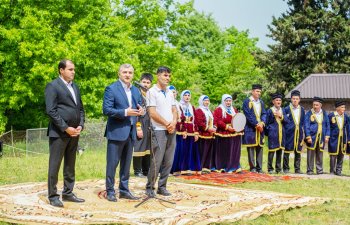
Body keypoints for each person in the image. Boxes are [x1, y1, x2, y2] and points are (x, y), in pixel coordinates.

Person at [45, 59, 85, 207]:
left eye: (74, 69)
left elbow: (80, 108)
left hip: (75, 133)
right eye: (70, 69)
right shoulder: (53, 86)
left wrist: (80, 125)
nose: (73, 72)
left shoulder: (75, 86)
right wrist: (65, 127)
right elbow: (51, 110)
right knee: (54, 165)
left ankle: (68, 193)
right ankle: (53, 196)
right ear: (61, 70)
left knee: (70, 164)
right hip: (59, 133)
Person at [103, 64, 144, 202]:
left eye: (130, 72)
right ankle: (110, 191)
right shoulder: (111, 88)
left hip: (131, 132)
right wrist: (125, 112)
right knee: (112, 164)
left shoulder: (136, 90)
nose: (127, 75)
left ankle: (124, 190)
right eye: (125, 72)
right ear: (119, 73)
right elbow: (107, 110)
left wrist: (142, 111)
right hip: (116, 132)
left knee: (126, 164)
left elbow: (140, 106)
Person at [145, 66, 177, 197]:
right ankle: (150, 187)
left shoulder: (170, 92)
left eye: (169, 76)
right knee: (156, 160)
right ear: (158, 76)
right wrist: (166, 123)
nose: (168, 78)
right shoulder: (151, 92)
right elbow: (152, 113)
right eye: (165, 75)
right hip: (158, 129)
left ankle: (162, 187)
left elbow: (174, 109)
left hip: (171, 129)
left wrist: (173, 122)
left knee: (169, 160)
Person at [171, 90, 201, 175]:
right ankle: (179, 168)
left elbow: (195, 120)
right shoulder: (179, 105)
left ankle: (188, 168)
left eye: (188, 95)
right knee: (182, 150)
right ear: (182, 96)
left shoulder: (192, 107)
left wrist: (196, 132)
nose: (187, 97)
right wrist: (183, 130)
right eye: (185, 95)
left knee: (190, 150)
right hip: (182, 130)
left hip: (191, 131)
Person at [213, 94, 243, 173]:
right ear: (223, 101)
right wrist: (227, 127)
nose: (228, 102)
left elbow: (238, 118)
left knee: (234, 150)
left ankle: (234, 166)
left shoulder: (234, 109)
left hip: (234, 132)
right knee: (225, 150)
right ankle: (224, 166)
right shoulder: (219, 109)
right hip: (224, 132)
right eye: (227, 101)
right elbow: (217, 121)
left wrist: (239, 126)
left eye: (230, 101)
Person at [242, 84, 267, 173]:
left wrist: (262, 123)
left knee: (260, 147)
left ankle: (259, 168)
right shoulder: (247, 101)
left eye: (260, 91)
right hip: (251, 128)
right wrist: (257, 124)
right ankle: (252, 168)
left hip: (260, 128)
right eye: (257, 91)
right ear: (252, 91)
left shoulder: (261, 102)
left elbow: (264, 113)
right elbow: (248, 115)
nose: (259, 93)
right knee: (251, 148)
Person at [133, 73, 153, 177]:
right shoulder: (136, 94)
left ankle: (146, 170)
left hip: (149, 124)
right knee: (139, 146)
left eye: (148, 82)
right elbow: (136, 112)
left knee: (148, 148)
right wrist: (138, 127)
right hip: (140, 123)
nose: (145, 84)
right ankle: (137, 171)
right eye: (144, 82)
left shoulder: (150, 95)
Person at [304, 97, 330, 175]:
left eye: (317, 105)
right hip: (312, 137)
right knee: (310, 154)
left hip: (321, 137)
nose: (315, 106)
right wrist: (308, 136)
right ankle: (310, 170)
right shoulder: (309, 113)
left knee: (320, 154)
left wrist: (327, 135)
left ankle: (319, 170)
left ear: (320, 105)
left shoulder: (324, 113)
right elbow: (306, 125)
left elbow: (327, 125)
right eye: (314, 105)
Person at [265, 93, 288, 174]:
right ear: (273, 102)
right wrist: (269, 133)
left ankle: (278, 168)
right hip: (273, 134)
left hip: (282, 133)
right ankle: (270, 168)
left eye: (280, 100)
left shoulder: (283, 110)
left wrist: (281, 116)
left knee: (279, 151)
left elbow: (287, 121)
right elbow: (267, 123)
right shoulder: (270, 111)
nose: (278, 101)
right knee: (271, 151)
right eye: (277, 100)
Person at [283, 90, 305, 174]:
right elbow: (285, 121)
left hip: (298, 133)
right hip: (289, 133)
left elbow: (302, 122)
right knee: (287, 151)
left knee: (298, 151)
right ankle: (286, 168)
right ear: (291, 99)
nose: (295, 100)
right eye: (293, 99)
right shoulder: (286, 109)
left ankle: (297, 169)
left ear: (299, 100)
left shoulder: (302, 109)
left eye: (297, 99)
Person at [195, 95, 216, 173]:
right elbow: (199, 123)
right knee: (202, 152)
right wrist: (208, 129)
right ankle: (199, 167)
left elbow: (212, 121)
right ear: (201, 101)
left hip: (210, 135)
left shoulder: (209, 111)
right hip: (203, 134)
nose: (207, 102)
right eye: (205, 100)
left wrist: (214, 127)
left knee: (208, 152)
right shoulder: (199, 110)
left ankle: (206, 167)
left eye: (208, 100)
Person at [328, 101, 348, 176]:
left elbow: (347, 127)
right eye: (342, 107)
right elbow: (327, 126)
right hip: (333, 138)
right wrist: (328, 136)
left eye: (344, 107)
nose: (344, 109)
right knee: (333, 154)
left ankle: (339, 171)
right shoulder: (331, 115)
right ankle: (332, 171)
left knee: (341, 154)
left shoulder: (345, 116)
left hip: (342, 138)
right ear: (338, 108)